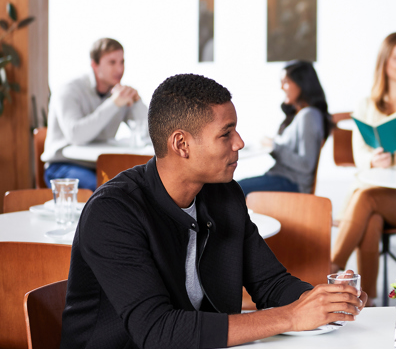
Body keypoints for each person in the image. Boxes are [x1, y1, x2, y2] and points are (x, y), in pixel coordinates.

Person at [60, 74, 367, 348]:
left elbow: (270, 283)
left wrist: (326, 301)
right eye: (226, 133)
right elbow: (157, 332)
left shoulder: (224, 194)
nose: (240, 142)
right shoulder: (113, 212)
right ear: (182, 144)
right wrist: (289, 318)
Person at [330, 32, 396, 304]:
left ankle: (329, 268)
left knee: (365, 198)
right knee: (371, 217)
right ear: (385, 62)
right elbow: (359, 153)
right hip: (375, 193)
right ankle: (369, 300)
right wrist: (374, 160)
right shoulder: (366, 104)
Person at [41, 37, 147, 191]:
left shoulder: (119, 93)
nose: (119, 69)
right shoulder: (69, 90)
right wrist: (113, 104)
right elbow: (76, 136)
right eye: (112, 62)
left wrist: (137, 102)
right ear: (94, 65)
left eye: (122, 62)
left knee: (137, 187)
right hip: (64, 164)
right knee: (103, 191)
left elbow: (148, 134)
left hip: (100, 165)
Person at [238, 60, 331, 195]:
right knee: (230, 188)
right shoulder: (299, 115)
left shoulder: (309, 115)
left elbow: (306, 165)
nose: (282, 87)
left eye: (286, 82)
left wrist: (274, 146)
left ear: (302, 84)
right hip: (282, 179)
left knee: (230, 191)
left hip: (291, 183)